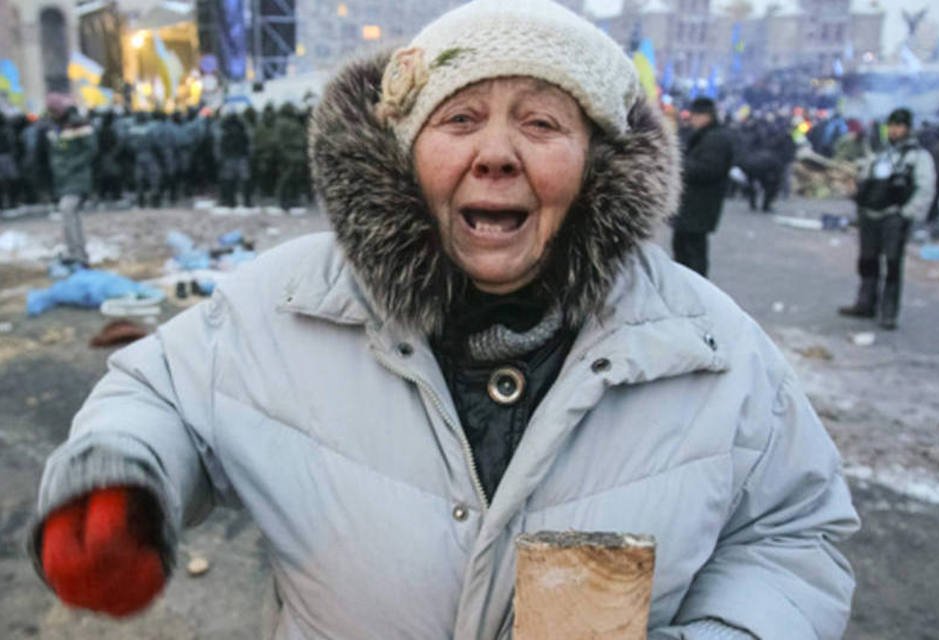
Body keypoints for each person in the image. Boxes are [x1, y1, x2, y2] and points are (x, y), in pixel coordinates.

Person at [29, 2, 858, 638]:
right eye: (459, 120)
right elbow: (162, 392)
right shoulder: (286, 300)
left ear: (600, 163)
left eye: (541, 123)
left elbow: (793, 533)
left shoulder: (707, 344)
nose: (495, 153)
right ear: (404, 156)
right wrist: (124, 481)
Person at [840, 107, 935, 329]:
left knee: (892, 264)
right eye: (891, 126)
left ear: (907, 129)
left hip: (894, 215)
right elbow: (866, 180)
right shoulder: (881, 154)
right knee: (867, 261)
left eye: (898, 126)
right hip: (870, 216)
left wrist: (907, 213)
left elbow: (925, 188)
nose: (894, 130)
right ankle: (866, 303)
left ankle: (889, 311)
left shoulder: (918, 157)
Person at [672, 97, 735, 277]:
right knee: (683, 248)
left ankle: (693, 288)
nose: (691, 119)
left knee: (693, 252)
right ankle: (685, 285)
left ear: (705, 116)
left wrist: (681, 165)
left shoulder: (715, 139)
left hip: (699, 206)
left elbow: (709, 169)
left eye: (694, 115)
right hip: (693, 206)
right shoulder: (706, 136)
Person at [45, 95, 97, 266]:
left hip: (77, 177)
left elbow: (90, 150)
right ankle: (74, 251)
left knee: (67, 210)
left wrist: (70, 166)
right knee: (68, 214)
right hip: (63, 179)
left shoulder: (78, 124)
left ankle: (79, 254)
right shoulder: (55, 128)